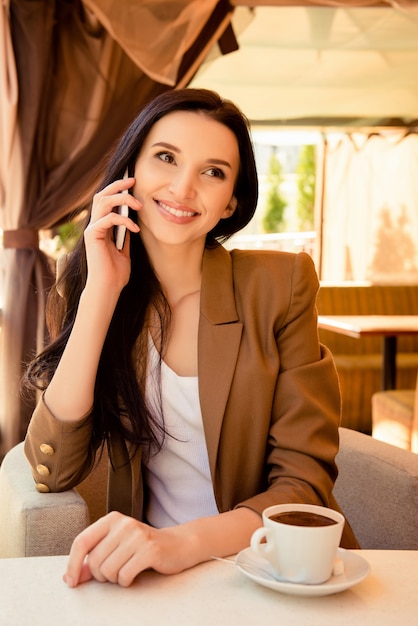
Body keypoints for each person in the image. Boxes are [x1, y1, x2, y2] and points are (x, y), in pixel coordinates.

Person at [24, 87, 358, 588]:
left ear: (231, 203)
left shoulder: (278, 285)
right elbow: (54, 468)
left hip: (275, 568)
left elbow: (303, 484)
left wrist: (182, 543)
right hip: (153, 577)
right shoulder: (91, 291)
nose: (183, 188)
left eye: (213, 172)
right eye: (165, 158)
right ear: (129, 173)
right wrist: (102, 292)